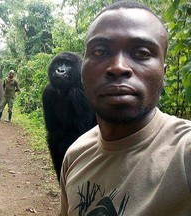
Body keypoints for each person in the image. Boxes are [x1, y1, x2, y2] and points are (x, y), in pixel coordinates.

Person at [60, 1, 191, 215]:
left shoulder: (183, 153)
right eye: (100, 51)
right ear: (83, 72)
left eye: (141, 53)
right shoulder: (76, 156)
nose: (118, 67)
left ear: (163, 73)